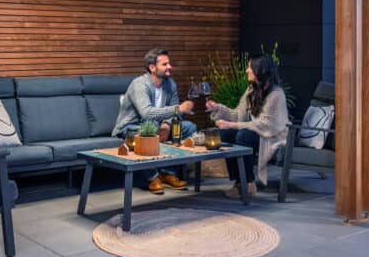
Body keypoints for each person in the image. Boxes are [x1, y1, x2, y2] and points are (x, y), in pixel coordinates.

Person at [113, 48, 197, 194]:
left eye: (169, 63)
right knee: (145, 134)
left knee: (189, 127)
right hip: (132, 127)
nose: (169, 67)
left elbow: (175, 114)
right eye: (165, 64)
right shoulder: (139, 84)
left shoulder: (170, 84)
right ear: (152, 68)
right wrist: (179, 108)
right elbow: (146, 113)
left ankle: (167, 173)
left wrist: (167, 124)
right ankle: (153, 177)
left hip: (157, 125)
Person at [206, 54, 289, 199]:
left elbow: (265, 125)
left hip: (271, 136)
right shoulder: (252, 90)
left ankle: (248, 182)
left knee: (243, 135)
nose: (246, 70)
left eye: (250, 67)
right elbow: (238, 115)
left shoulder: (276, 94)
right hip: (255, 133)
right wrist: (218, 108)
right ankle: (240, 182)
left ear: (259, 70)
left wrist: (232, 124)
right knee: (225, 134)